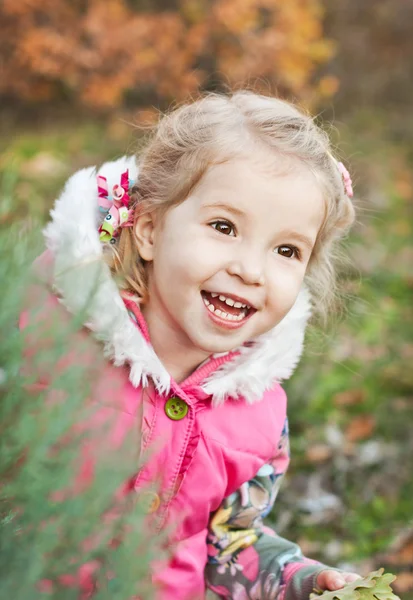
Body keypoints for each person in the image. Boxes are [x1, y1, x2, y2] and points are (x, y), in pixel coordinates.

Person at [23, 91, 361, 599]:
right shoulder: (44, 342)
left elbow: (231, 546)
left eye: (286, 250)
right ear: (150, 230)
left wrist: (299, 581)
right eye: (224, 227)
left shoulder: (259, 415)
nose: (250, 269)